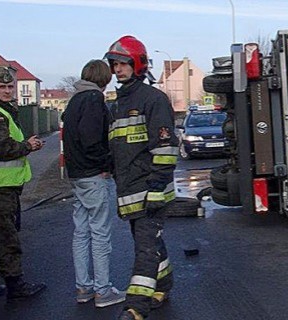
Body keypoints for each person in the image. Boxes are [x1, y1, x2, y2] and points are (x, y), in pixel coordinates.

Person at [104, 36, 179, 320]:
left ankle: (136, 306)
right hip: (130, 189)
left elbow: (165, 147)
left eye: (123, 63)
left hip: (150, 189)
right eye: (115, 64)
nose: (118, 69)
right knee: (149, 241)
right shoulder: (118, 103)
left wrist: (158, 186)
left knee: (145, 248)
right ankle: (165, 282)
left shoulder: (153, 99)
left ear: (138, 64)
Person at [62, 60, 126, 307]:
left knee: (81, 233)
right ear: (104, 78)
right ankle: (103, 290)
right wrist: (106, 165)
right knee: (100, 234)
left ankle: (83, 288)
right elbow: (92, 140)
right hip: (93, 175)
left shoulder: (74, 100)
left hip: (77, 175)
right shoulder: (93, 100)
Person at [0, 67, 46, 301]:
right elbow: (3, 149)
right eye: (2, 87)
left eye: (10, 87)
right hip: (0, 186)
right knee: (7, 237)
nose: (7, 91)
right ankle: (15, 286)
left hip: (1, 185)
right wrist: (29, 146)